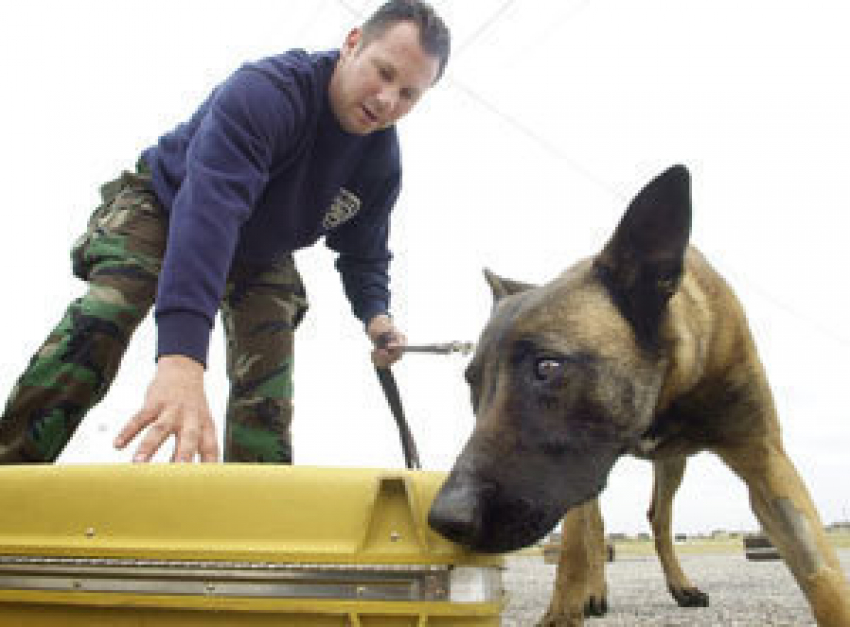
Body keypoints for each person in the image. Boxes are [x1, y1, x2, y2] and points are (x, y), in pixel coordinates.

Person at [0, 0, 450, 465]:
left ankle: (256, 509)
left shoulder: (379, 164)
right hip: (171, 203)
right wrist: (181, 358)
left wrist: (377, 319)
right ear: (353, 43)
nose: (386, 100)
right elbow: (209, 211)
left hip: (261, 250)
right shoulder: (268, 92)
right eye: (383, 72)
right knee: (109, 309)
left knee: (269, 375)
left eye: (408, 94)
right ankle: (10, 465)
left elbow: (364, 250)